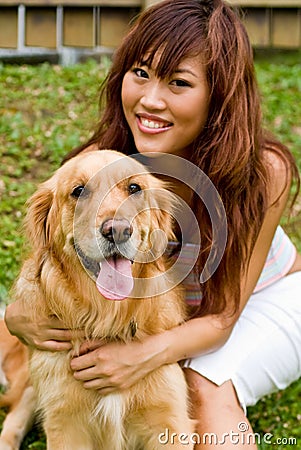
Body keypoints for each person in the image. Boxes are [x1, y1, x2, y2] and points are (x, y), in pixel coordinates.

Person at [5, 0, 301, 448]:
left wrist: (140, 356)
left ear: (218, 95)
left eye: (179, 82)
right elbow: (53, 253)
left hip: (255, 298)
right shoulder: (105, 155)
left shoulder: (264, 170)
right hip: (162, 311)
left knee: (201, 395)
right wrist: (19, 310)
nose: (150, 100)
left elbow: (222, 317)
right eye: (140, 73)